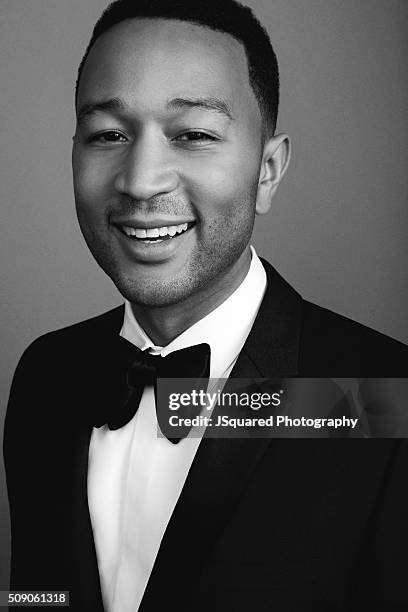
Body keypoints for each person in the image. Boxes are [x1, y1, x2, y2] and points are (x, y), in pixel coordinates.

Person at [4, 0, 408, 610]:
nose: (140, 181)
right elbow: (38, 596)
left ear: (267, 171)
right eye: (108, 134)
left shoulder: (382, 396)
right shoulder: (46, 375)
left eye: (193, 135)